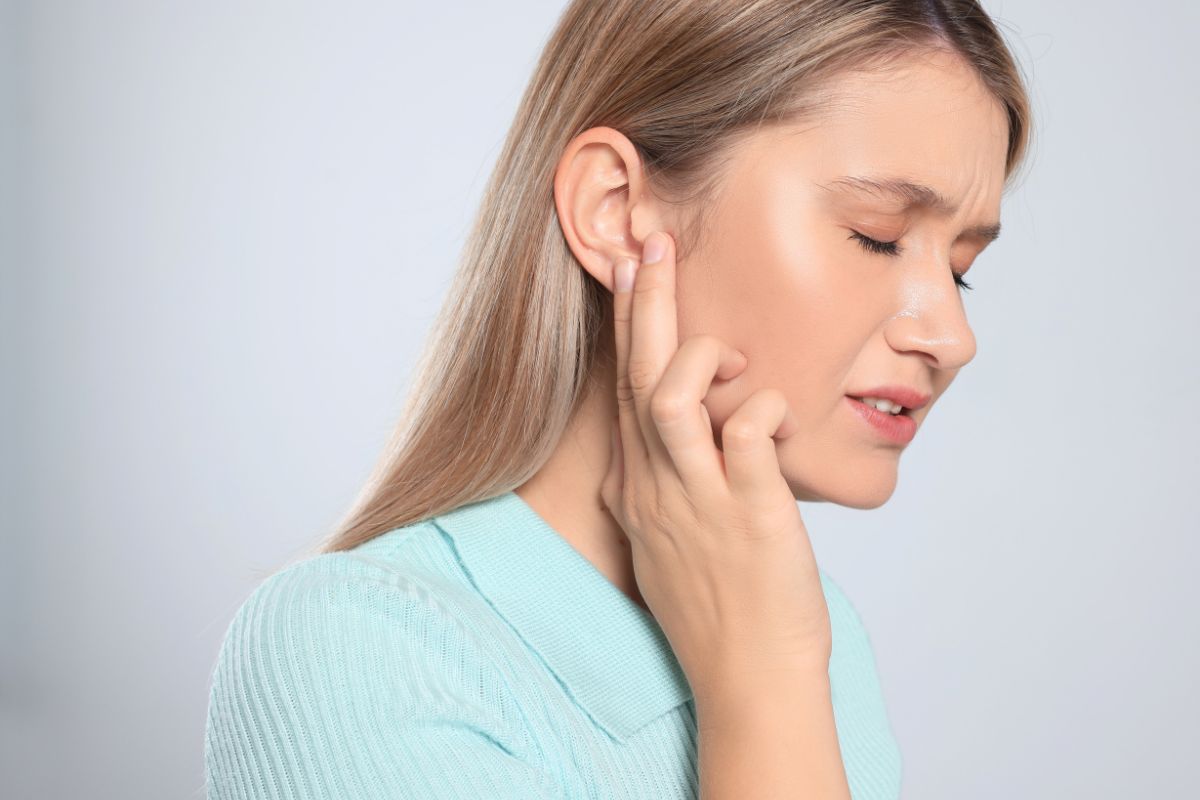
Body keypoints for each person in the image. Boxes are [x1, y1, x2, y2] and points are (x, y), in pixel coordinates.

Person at [204, 1, 1034, 797]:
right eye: (878, 236)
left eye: (959, 266)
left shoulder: (813, 633)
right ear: (617, 213)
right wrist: (760, 683)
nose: (952, 337)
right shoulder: (358, 650)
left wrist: (773, 665)